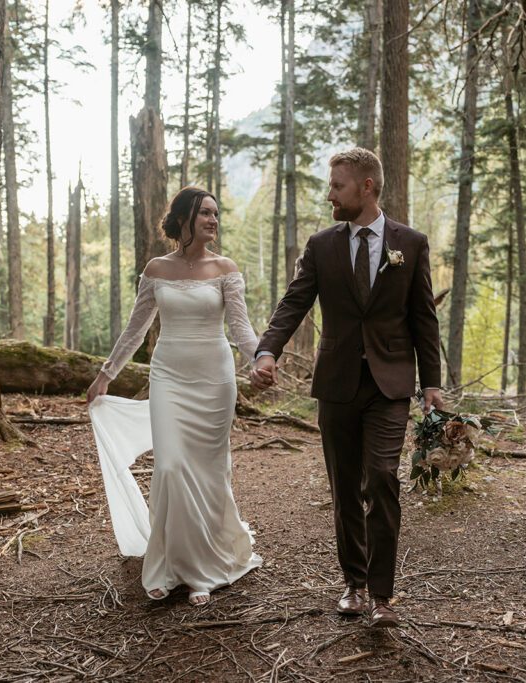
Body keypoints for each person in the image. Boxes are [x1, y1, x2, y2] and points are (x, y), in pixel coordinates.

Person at [251, 148, 443, 628]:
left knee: (381, 477)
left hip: (389, 383)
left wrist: (432, 384)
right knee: (344, 489)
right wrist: (266, 351)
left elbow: (424, 318)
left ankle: (382, 595)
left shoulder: (411, 244)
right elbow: (293, 303)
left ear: (367, 187)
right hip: (336, 384)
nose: (330, 193)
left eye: (337, 185)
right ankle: (354, 586)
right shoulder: (322, 245)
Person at [86, 187, 262, 607]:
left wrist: (261, 360)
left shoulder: (225, 268)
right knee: (169, 467)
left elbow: (240, 329)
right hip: (169, 376)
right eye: (205, 212)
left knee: (208, 472)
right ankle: (168, 563)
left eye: (216, 214)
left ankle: (203, 568)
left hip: (215, 381)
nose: (213, 220)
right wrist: (106, 374)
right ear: (184, 217)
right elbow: (136, 329)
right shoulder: (157, 269)